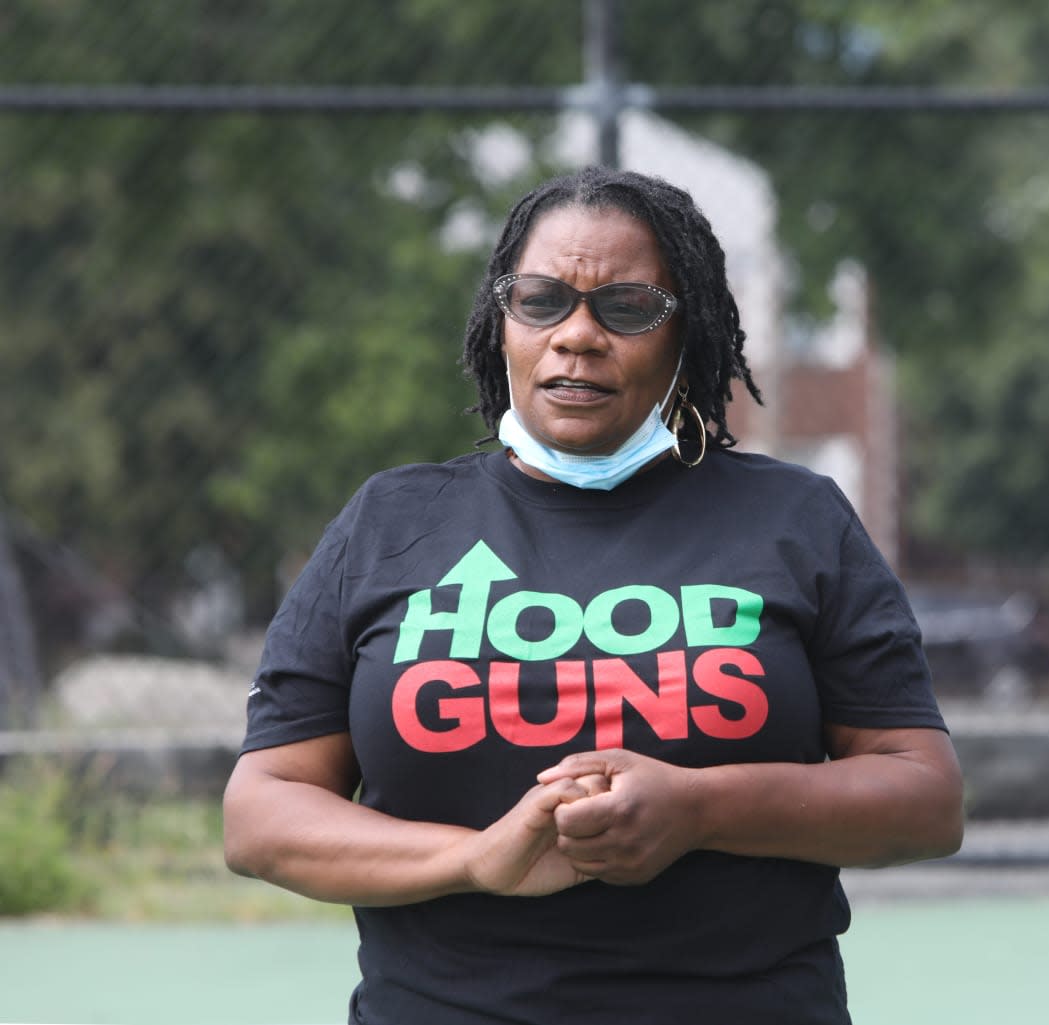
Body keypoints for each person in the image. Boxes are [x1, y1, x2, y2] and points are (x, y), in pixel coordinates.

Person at [223, 166, 964, 1025]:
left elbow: (926, 798)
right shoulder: (390, 520)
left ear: (687, 334)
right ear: (501, 321)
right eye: (541, 300)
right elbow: (261, 812)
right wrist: (476, 858)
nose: (577, 335)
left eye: (627, 308)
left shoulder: (793, 518)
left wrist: (698, 807)